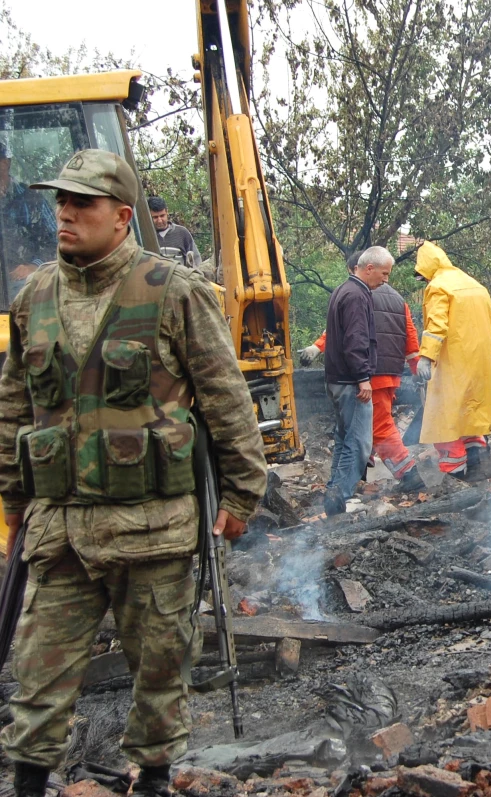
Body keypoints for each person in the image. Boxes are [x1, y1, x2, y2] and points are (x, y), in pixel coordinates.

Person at [0, 149, 267, 797]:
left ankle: (151, 778)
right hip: (60, 532)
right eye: (60, 201)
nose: (65, 212)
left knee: (160, 672)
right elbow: (13, 405)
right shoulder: (33, 296)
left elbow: (225, 397)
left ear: (121, 217)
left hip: (152, 530)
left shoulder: (174, 291)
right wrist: (14, 499)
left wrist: (241, 493)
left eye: (82, 203)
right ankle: (31, 780)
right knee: (37, 675)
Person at [301, 250, 423, 487]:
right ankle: (356, 480)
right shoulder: (399, 299)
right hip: (390, 373)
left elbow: (346, 334)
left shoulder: (359, 295)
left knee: (376, 427)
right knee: (370, 425)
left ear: (357, 269)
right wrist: (416, 368)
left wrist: (317, 348)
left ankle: (410, 476)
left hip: (369, 373)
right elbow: (410, 335)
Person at [413, 242, 491, 480]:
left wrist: (426, 357)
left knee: (445, 422)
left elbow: (436, 326)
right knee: (471, 417)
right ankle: (478, 471)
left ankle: (454, 479)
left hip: (451, 365)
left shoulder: (439, 287)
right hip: (478, 365)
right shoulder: (475, 285)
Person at [323, 246, 392, 515]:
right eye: (384, 273)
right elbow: (356, 341)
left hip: (337, 378)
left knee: (344, 439)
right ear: (369, 268)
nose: (386, 280)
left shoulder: (344, 290)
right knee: (360, 443)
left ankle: (334, 491)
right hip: (352, 381)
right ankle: (339, 495)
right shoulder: (356, 296)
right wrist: (363, 378)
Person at [0, 140, 58, 301]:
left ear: (5, 163)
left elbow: (57, 241)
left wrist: (34, 266)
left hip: (20, 282)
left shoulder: (32, 200)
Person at [147, 195, 201, 269]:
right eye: (155, 217)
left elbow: (196, 262)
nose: (159, 220)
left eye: (162, 216)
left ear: (167, 212)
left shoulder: (182, 233)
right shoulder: (146, 236)